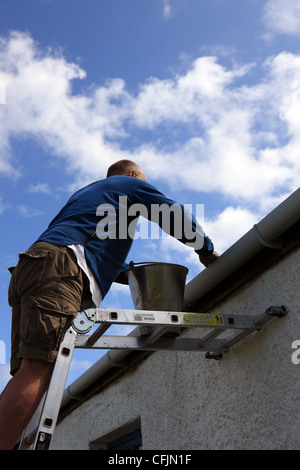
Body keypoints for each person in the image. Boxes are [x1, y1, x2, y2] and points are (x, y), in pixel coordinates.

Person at [0, 159, 219, 449]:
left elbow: (94, 250)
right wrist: (206, 251)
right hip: (58, 267)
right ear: (132, 175)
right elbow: (171, 213)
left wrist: (131, 275)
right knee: (38, 368)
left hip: (35, 268)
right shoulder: (129, 185)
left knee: (31, 373)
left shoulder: (88, 195)